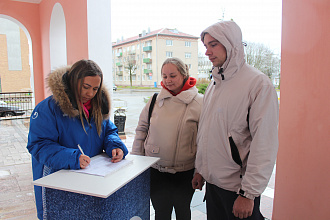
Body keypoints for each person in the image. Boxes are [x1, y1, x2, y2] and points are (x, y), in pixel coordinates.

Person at [192, 21, 279, 220]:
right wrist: (201, 170)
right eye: (206, 46)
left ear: (230, 43)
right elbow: (207, 133)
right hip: (214, 187)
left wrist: (249, 194)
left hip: (238, 191)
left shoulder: (258, 84)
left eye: (213, 45)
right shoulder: (215, 85)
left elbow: (264, 144)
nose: (207, 52)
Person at [27, 59, 128, 219]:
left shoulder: (98, 105)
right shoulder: (49, 108)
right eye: (86, 87)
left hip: (90, 180)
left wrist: (114, 145)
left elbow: (109, 131)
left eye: (95, 88)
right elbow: (38, 145)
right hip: (57, 183)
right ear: (73, 81)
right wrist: (72, 157)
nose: (90, 94)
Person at [132, 57, 203, 220]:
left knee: (183, 211)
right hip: (156, 170)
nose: (168, 80)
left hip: (185, 172)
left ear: (184, 75)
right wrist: (137, 162)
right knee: (161, 212)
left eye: (172, 76)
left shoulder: (199, 102)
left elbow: (203, 141)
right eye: (164, 76)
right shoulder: (155, 100)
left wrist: (200, 171)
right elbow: (141, 130)